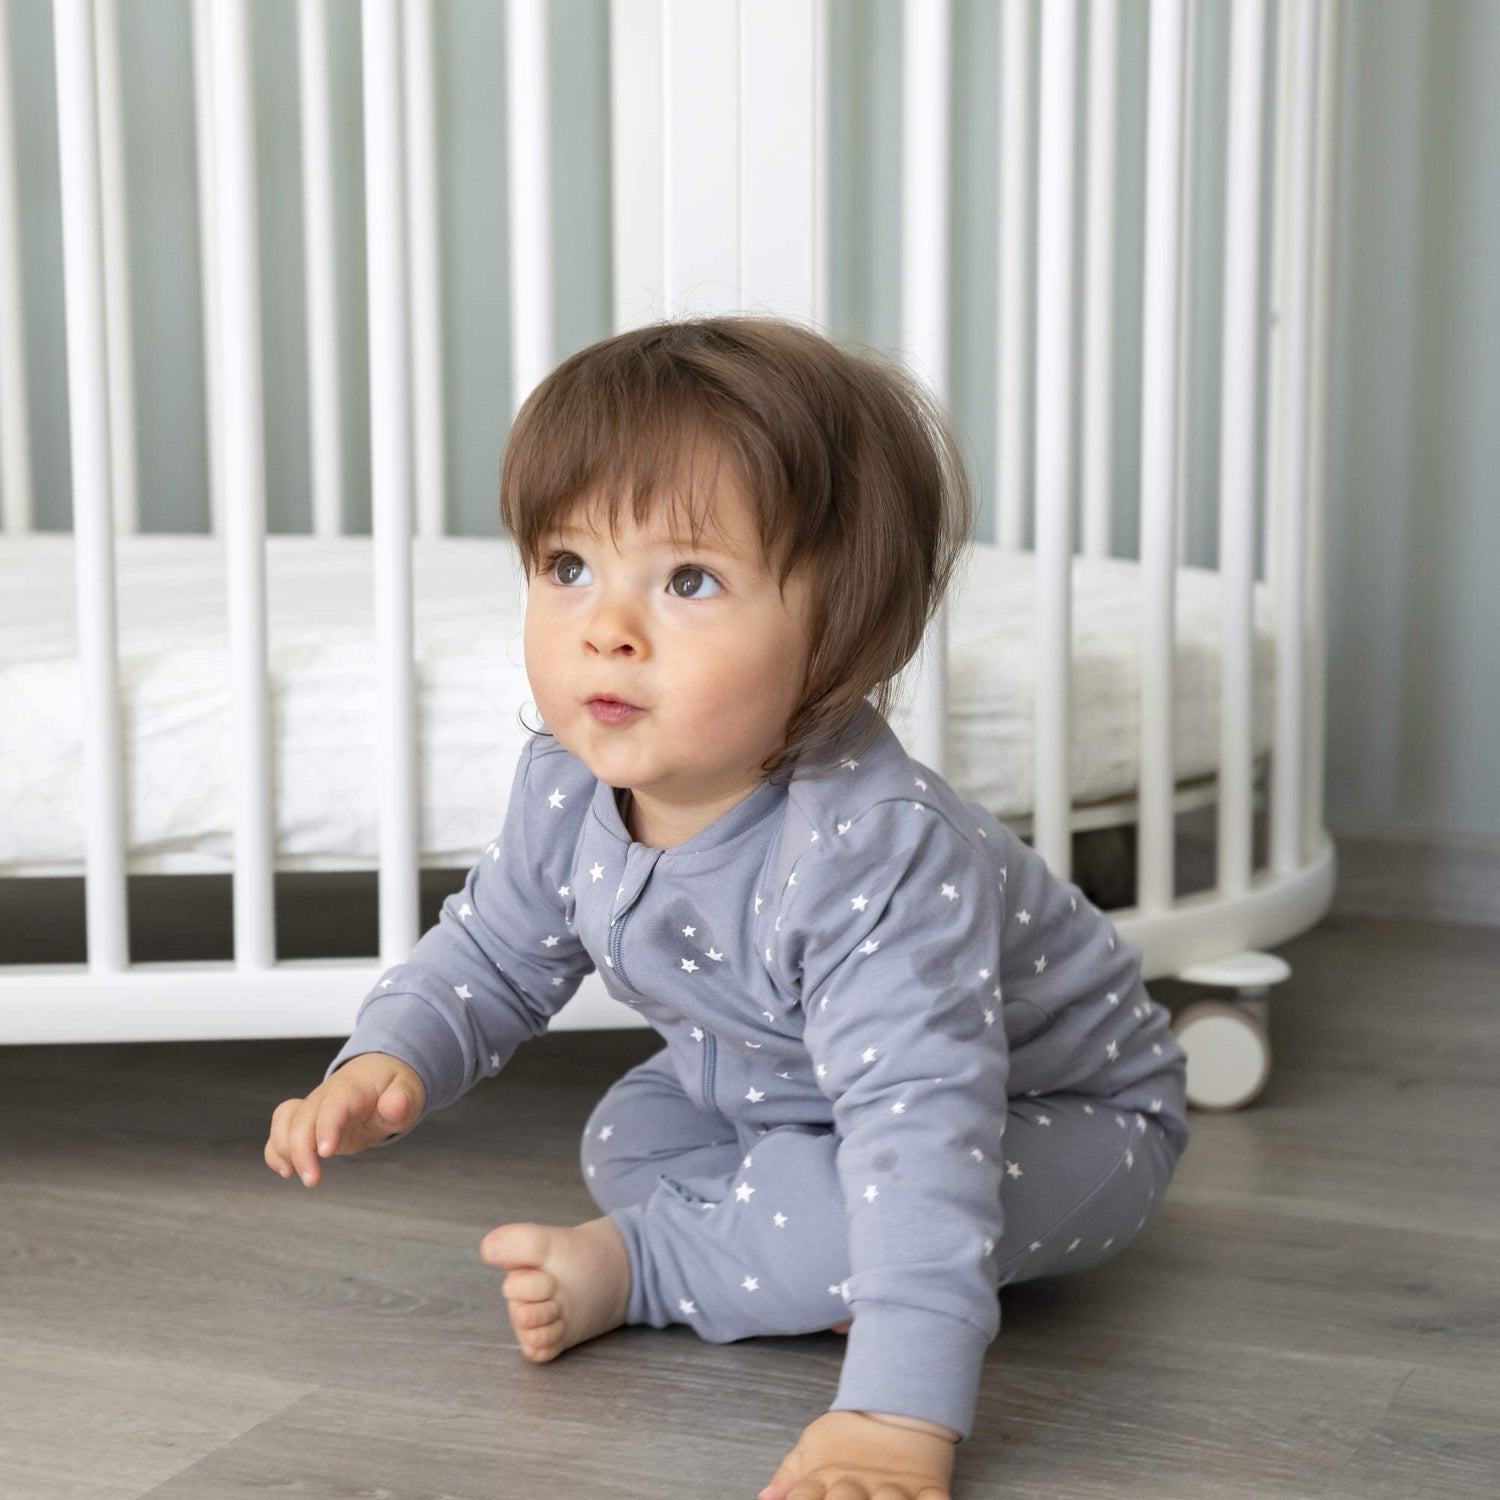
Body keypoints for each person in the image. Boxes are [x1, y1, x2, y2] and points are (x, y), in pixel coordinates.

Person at [265, 314, 1190, 1500]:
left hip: (1048, 1111)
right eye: (567, 567)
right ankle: (769, 1252)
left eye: (688, 580)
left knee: (874, 1211)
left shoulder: (870, 853)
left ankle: (652, 1270)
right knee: (625, 1136)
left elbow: (919, 1135)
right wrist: (387, 1059)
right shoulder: (568, 784)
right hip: (776, 1088)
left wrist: (894, 1417)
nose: (607, 628)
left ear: (836, 635)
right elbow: (494, 953)